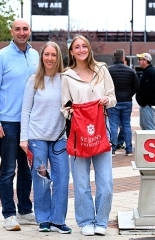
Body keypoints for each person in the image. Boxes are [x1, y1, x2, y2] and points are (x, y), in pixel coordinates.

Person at [0, 18, 39, 231]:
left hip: (30, 123)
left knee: (27, 170)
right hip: (7, 123)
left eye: (25, 29)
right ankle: (8, 214)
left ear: (30, 31)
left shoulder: (36, 56)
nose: (22, 32)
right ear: (12, 31)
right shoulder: (1, 57)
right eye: (18, 29)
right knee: (8, 171)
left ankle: (24, 210)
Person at [61, 35, 116, 236]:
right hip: (78, 132)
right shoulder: (66, 76)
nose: (81, 49)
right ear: (72, 52)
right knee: (81, 181)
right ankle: (85, 220)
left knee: (106, 182)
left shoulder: (102, 70)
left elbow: (113, 98)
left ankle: (101, 220)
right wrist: (72, 112)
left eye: (84, 46)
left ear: (89, 49)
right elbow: (64, 106)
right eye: (77, 47)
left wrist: (105, 100)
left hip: (101, 129)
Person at [19, 42, 72, 234]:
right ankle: (43, 219)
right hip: (36, 138)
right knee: (41, 179)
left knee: (62, 179)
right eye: (46, 54)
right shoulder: (34, 80)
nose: (50, 58)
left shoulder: (65, 79)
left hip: (60, 138)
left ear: (59, 57)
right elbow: (25, 111)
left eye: (54, 55)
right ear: (42, 57)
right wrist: (23, 138)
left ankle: (58, 219)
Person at [108, 49, 139, 157]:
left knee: (113, 125)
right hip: (127, 101)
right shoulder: (130, 71)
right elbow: (136, 87)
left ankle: (112, 149)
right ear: (123, 57)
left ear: (114, 57)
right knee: (126, 125)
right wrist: (129, 94)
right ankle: (129, 149)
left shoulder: (109, 71)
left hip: (113, 101)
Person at [135, 52, 155, 130]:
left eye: (140, 60)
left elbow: (146, 90)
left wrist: (142, 101)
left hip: (148, 105)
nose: (138, 61)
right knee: (144, 126)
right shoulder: (149, 71)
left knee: (149, 127)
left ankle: (153, 142)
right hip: (147, 104)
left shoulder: (149, 72)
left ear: (145, 61)